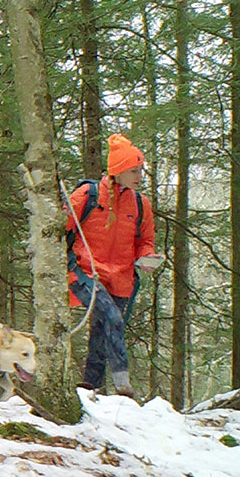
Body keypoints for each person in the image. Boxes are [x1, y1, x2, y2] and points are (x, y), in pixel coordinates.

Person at [66, 133, 163, 398]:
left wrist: (148, 257)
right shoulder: (88, 194)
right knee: (112, 318)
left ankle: (89, 389)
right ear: (118, 170)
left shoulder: (141, 204)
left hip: (122, 279)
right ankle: (123, 384)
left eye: (140, 170)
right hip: (86, 273)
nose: (139, 176)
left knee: (101, 333)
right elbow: (61, 225)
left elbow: (145, 241)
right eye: (133, 170)